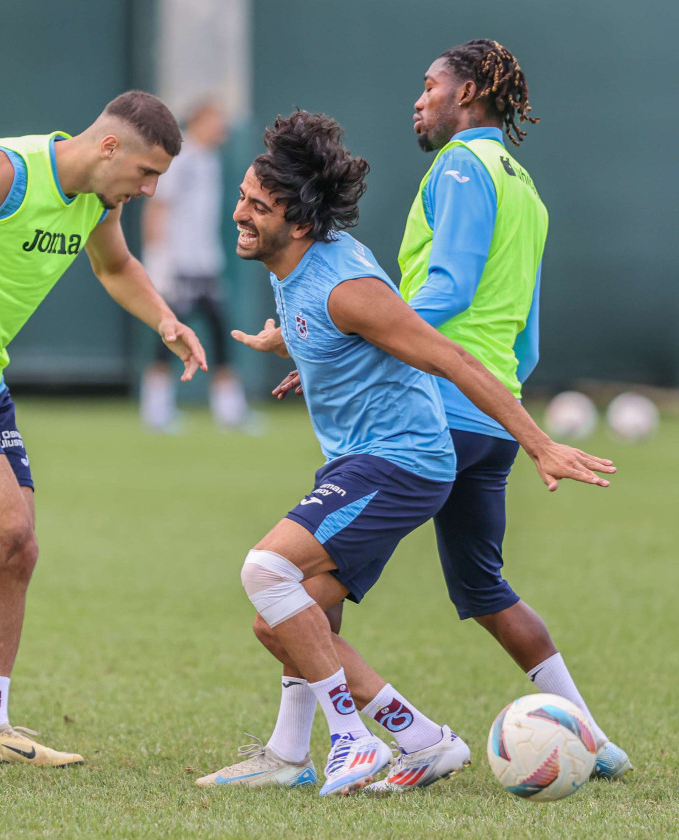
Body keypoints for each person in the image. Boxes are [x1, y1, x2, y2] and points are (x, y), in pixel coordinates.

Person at [194, 111, 613, 796]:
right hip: (363, 459)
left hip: (404, 461)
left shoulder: (348, 286)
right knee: (286, 623)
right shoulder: (290, 261)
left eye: (257, 206)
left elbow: (452, 358)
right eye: (242, 195)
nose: (239, 212)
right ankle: (398, 741)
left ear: (299, 223)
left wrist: (538, 444)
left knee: (267, 570)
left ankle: (355, 742)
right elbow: (323, 327)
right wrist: (290, 343)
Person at [0, 90, 207, 766]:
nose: (148, 190)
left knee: (21, 550)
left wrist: (164, 319)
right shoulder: (6, 170)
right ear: (110, 147)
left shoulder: (98, 202)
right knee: (2, 526)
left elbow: (115, 267)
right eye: (147, 173)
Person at [139, 102, 251, 432]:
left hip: (206, 266)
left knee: (220, 333)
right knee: (169, 334)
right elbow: (157, 208)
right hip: (177, 267)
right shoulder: (181, 160)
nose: (222, 128)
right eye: (216, 120)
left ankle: (230, 410)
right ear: (198, 120)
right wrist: (158, 260)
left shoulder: (210, 159)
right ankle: (155, 409)